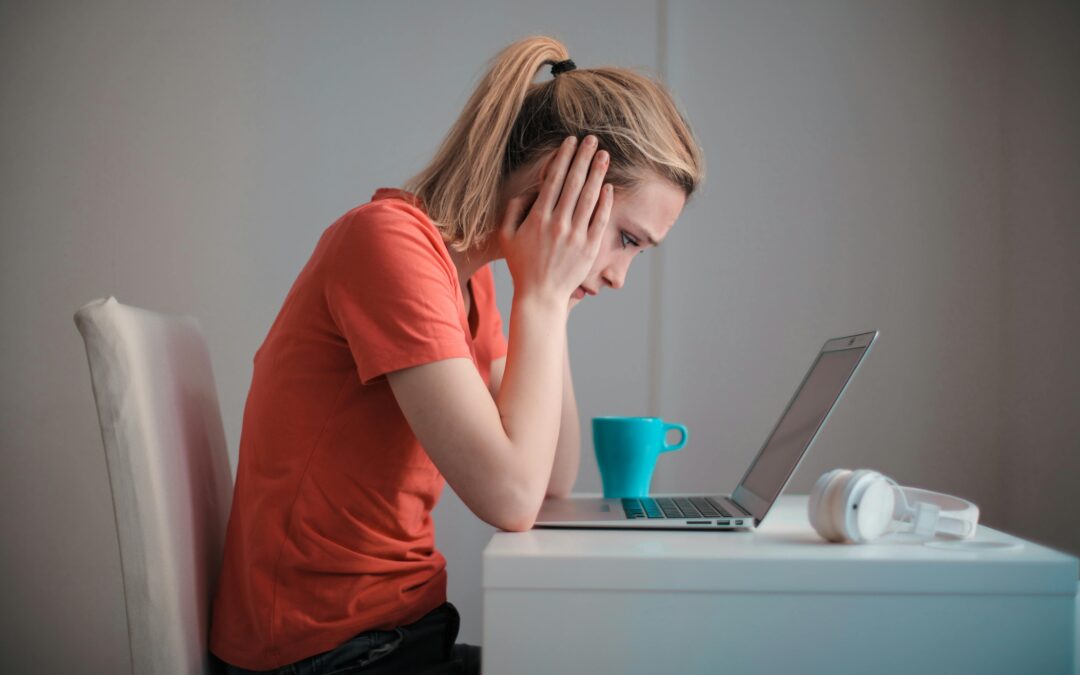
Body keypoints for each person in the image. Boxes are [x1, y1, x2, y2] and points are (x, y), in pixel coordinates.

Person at [208, 35, 705, 674]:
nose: (619, 276)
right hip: (324, 654)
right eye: (627, 240)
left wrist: (552, 299)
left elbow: (550, 479)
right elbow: (512, 498)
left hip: (396, 635)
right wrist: (542, 299)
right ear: (560, 183)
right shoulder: (388, 246)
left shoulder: (470, 280)